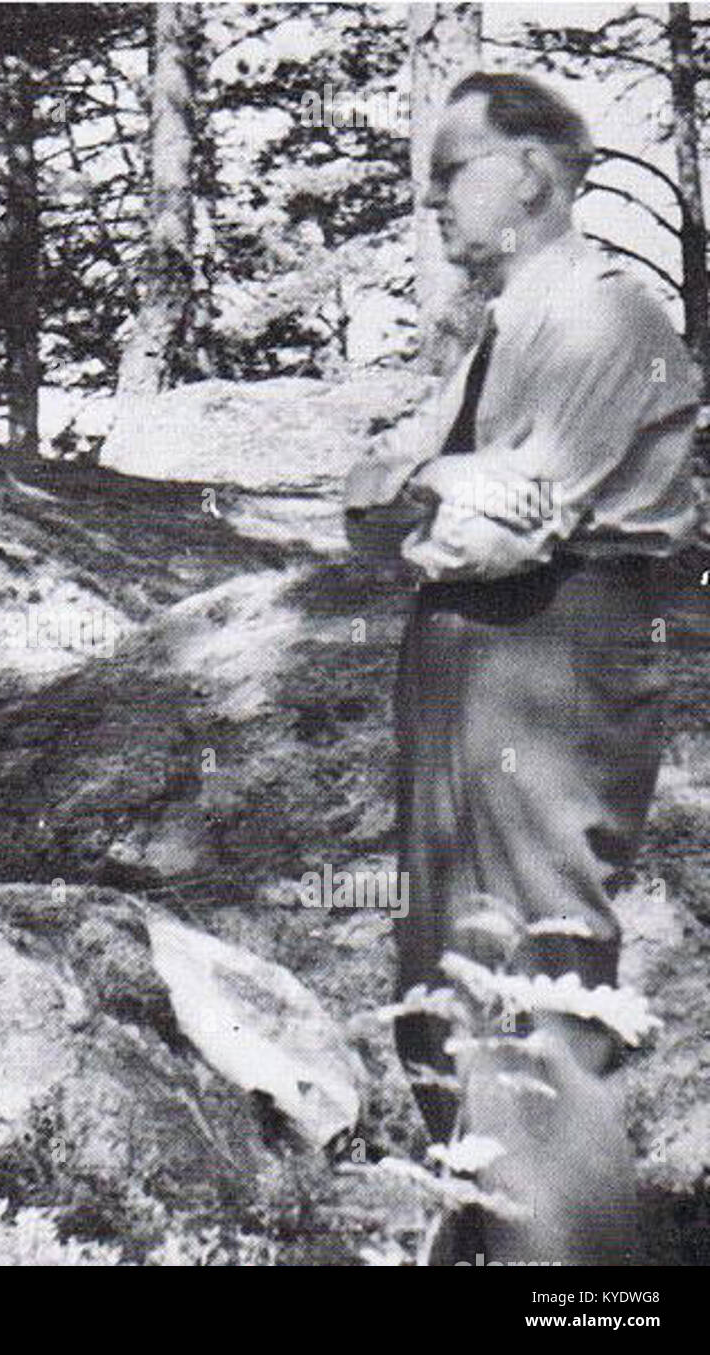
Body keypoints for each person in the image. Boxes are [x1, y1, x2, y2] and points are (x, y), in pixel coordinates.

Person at [344, 73, 701, 1262]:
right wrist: (429, 486)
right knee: (446, 971)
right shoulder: (505, 328)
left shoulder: (606, 317)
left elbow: (499, 528)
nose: (430, 195)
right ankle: (494, 1242)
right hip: (468, 642)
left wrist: (425, 486)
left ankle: (579, 1281)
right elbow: (366, 496)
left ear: (534, 175)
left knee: (536, 979)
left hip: (555, 638)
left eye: (451, 169)